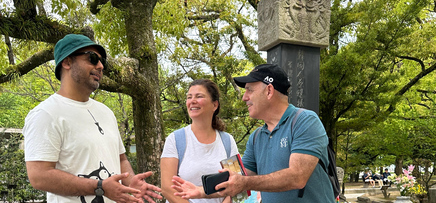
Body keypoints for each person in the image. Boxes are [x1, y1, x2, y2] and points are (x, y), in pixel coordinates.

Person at [23, 34, 162, 203]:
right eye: (93, 58)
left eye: (102, 61)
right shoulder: (46, 114)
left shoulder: (106, 112)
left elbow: (120, 158)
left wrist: (130, 182)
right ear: (67, 62)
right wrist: (99, 186)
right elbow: (39, 176)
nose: (101, 66)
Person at [172, 63, 334, 203]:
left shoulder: (304, 121)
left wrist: (246, 182)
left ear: (269, 91)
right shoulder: (256, 137)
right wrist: (201, 191)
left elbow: (297, 177)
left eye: (249, 90)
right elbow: (236, 178)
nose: (244, 97)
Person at [161, 79, 239, 203]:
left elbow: (236, 184)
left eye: (199, 96)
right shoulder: (175, 140)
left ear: (215, 105)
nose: (192, 101)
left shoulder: (227, 141)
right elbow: (167, 188)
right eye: (189, 97)